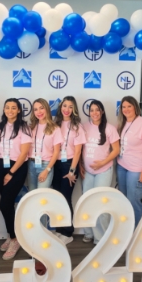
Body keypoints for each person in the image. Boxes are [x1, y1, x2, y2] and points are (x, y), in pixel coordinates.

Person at [0, 98, 32, 260]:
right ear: (4, 109)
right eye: (7, 107)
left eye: (13, 108)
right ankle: (12, 235)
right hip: (1, 166)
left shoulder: (24, 128)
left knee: (4, 203)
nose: (10, 110)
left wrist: (11, 173)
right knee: (7, 204)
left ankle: (15, 239)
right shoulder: (0, 126)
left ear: (19, 110)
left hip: (16, 168)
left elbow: (24, 153)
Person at [80, 100, 120, 244]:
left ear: (102, 112)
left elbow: (116, 150)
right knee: (88, 202)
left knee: (100, 203)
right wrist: (80, 166)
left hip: (103, 170)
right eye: (92, 110)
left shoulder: (109, 129)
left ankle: (101, 237)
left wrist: (103, 162)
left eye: (97, 110)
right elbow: (80, 149)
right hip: (88, 172)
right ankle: (89, 233)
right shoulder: (84, 127)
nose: (95, 113)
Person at [116, 96, 142, 227]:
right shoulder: (122, 123)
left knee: (134, 201)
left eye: (129, 106)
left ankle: (138, 233)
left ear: (135, 108)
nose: (126, 109)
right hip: (122, 166)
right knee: (124, 200)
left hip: (137, 169)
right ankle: (128, 229)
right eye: (123, 107)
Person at [53, 96, 86, 245]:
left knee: (66, 198)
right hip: (56, 164)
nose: (67, 109)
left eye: (70, 107)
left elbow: (78, 151)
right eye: (64, 106)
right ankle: (60, 230)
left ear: (74, 110)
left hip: (69, 165)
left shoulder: (77, 126)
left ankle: (68, 232)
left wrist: (72, 171)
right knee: (58, 200)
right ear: (60, 108)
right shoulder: (55, 124)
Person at [28, 98, 62, 191]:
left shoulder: (55, 128)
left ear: (47, 109)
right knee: (32, 195)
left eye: (41, 108)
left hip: (45, 165)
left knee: (41, 195)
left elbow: (56, 152)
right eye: (35, 109)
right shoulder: (30, 127)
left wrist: (47, 170)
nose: (39, 111)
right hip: (31, 164)